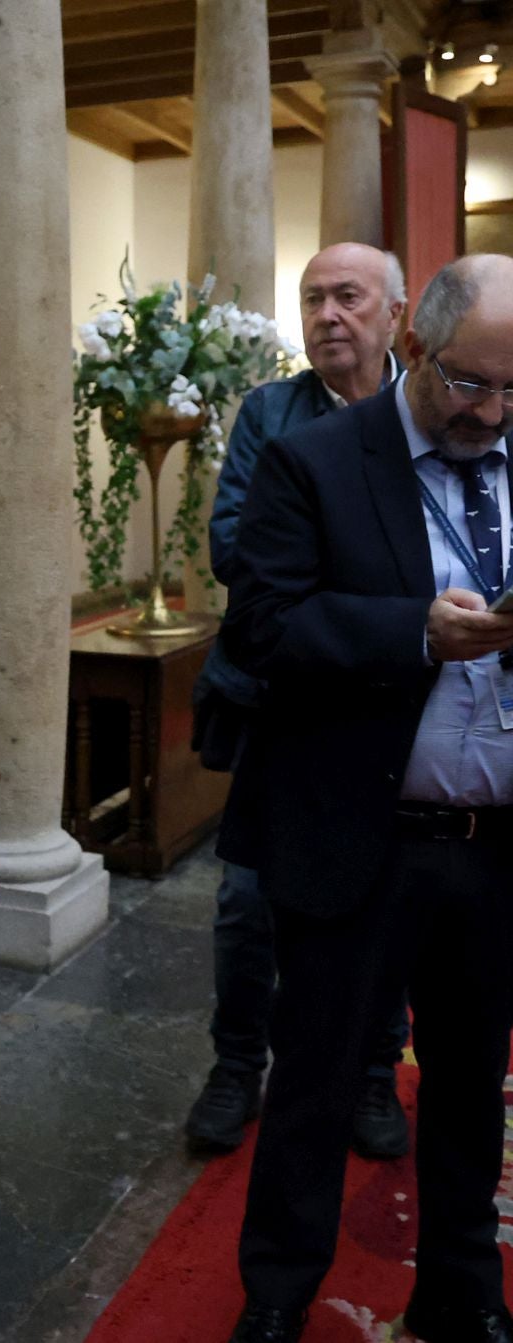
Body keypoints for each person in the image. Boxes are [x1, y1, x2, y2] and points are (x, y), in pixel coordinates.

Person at [222, 254, 513, 1343]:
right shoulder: (316, 462)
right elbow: (262, 627)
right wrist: (412, 634)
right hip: (362, 832)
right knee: (317, 1078)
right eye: (470, 384)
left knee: (473, 1076)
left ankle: (462, 1286)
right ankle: (277, 1295)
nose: (490, 412)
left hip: (494, 842)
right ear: (418, 346)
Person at [184, 243, 410, 1157]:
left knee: (385, 892)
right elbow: (234, 549)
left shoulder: (416, 416)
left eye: (348, 297)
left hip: (390, 701)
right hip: (274, 696)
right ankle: (238, 1063)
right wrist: (368, 592)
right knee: (247, 901)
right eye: (313, 298)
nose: (327, 315)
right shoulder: (269, 412)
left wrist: (318, 585)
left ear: (395, 312)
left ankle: (371, 1071)